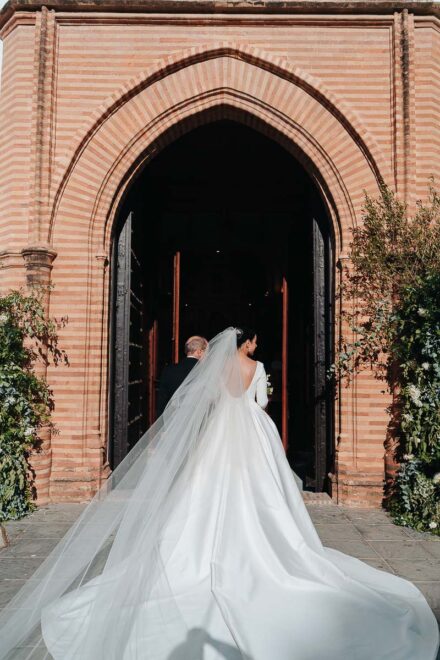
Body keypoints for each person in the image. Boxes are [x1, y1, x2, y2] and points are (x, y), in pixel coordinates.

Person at [0, 327, 438, 660]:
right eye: (254, 342)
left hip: (220, 435)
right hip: (253, 432)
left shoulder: (218, 367)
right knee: (261, 489)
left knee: (206, 490)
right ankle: (268, 545)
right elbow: (262, 405)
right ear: (246, 345)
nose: (255, 347)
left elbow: (205, 401)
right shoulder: (256, 369)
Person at [156, 335, 208, 416]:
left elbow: (162, 402)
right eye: (206, 352)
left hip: (172, 422)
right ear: (199, 352)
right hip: (198, 422)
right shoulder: (205, 371)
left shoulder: (169, 370)